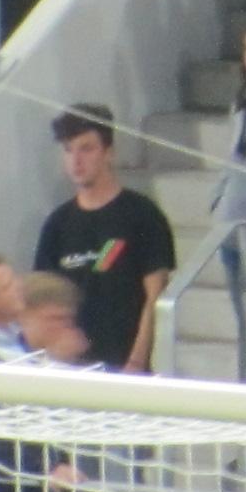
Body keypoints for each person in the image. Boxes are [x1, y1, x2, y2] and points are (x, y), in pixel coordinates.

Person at [30, 110, 173, 374]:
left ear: (109, 153)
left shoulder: (142, 215)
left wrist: (136, 361)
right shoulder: (57, 224)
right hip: (69, 368)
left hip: (124, 364)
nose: (76, 160)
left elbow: (155, 296)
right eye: (69, 150)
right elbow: (42, 299)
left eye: (86, 149)